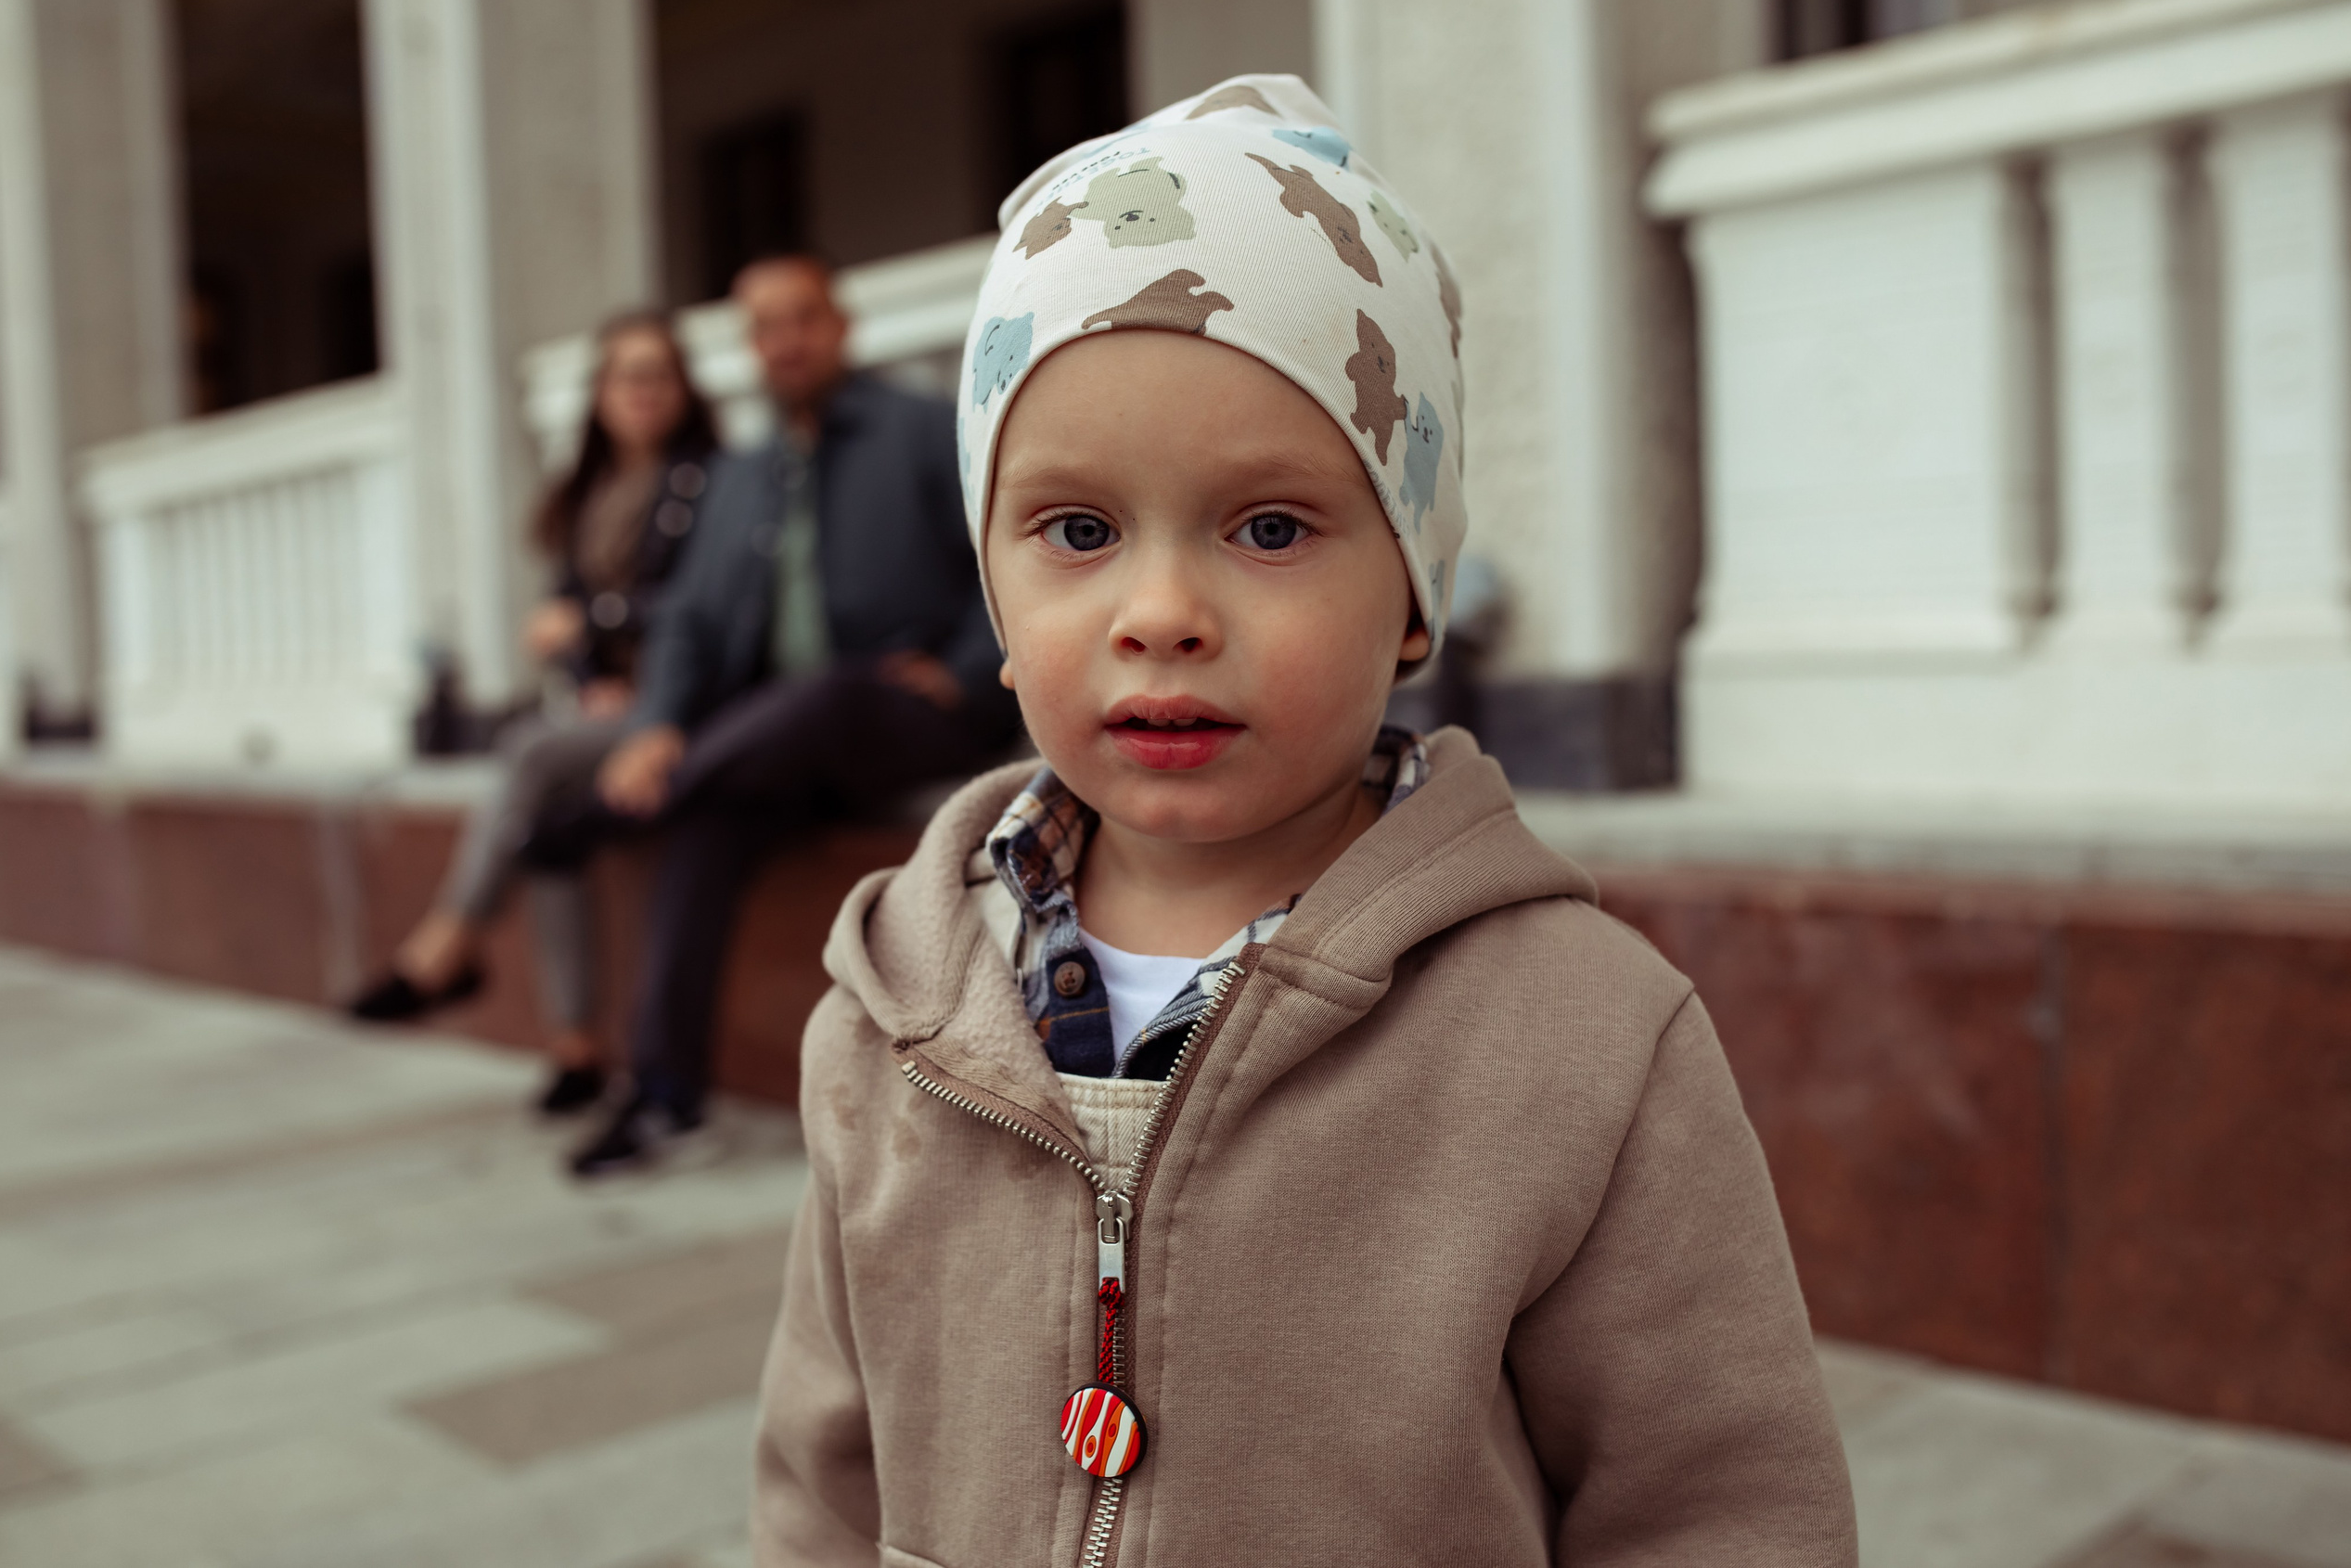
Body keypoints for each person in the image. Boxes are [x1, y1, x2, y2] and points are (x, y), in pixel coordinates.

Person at [749, 75, 1856, 1565]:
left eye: (1269, 527)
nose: (1161, 613)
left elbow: (1723, 1507)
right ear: (994, 600)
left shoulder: (1583, 1041)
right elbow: (822, 1479)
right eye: (1077, 531)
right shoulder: (888, 1011)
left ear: (1412, 592)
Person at [542, 253, 1018, 1177]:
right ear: (749, 346)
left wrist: (962, 669)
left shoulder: (921, 430)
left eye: (803, 319)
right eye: (765, 327)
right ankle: (663, 1099)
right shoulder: (740, 474)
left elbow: (1008, 549)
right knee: (705, 825)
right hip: (770, 747)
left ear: (840, 326)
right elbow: (682, 619)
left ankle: (602, 817)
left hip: (911, 717)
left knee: (831, 691)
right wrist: (659, 724)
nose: (786, 341)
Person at [346, 312, 717, 1116]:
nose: (644, 391)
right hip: (605, 708)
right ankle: (575, 1046)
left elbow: (701, 606)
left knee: (527, 753)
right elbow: (565, 604)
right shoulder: (587, 491)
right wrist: (587, 668)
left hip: (682, 705)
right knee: (548, 816)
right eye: (627, 375)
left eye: (659, 373)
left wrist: (602, 631)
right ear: (601, 394)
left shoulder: (708, 480)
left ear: (684, 387)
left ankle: (450, 941)